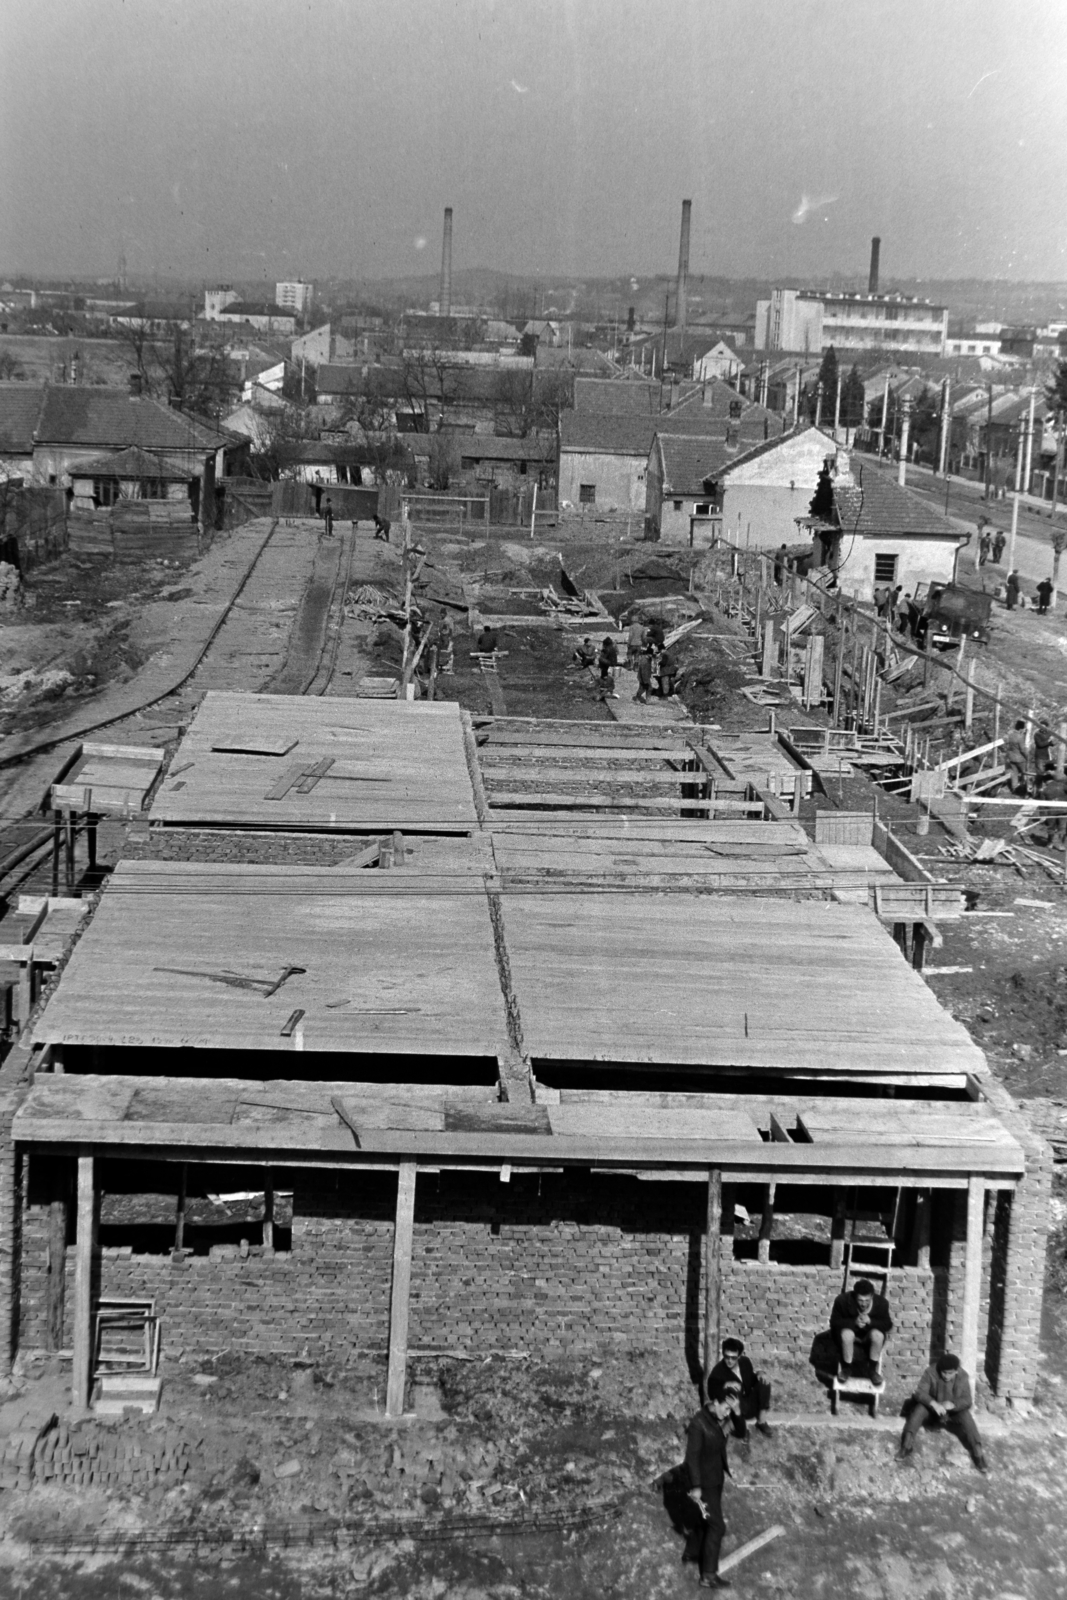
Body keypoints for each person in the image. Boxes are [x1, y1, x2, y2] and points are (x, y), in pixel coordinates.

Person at [683, 1382, 738, 1589]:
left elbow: (740, 1430)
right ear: (715, 1402)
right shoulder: (699, 1424)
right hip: (704, 1484)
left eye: (730, 1409)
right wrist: (696, 1486)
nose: (727, 1413)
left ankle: (692, 1552)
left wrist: (737, 1412)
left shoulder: (721, 1418)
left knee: (706, 1519)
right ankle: (708, 1575)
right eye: (726, 1408)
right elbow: (692, 1458)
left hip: (715, 1479)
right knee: (717, 1526)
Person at [898, 1353, 988, 1473]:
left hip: (952, 1414)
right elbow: (919, 1393)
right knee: (918, 1410)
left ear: (956, 1371)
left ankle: (978, 1454)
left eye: (950, 1373)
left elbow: (967, 1400)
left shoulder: (962, 1376)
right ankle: (906, 1446)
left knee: (966, 1416)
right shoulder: (930, 1372)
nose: (946, 1376)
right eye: (944, 1372)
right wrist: (934, 1404)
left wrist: (953, 1404)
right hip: (932, 1411)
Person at [708, 1338, 773, 1440]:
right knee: (734, 1389)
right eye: (726, 1357)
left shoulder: (745, 1362)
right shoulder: (718, 1371)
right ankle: (741, 1427)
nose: (729, 1360)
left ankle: (761, 1421)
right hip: (736, 1411)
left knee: (764, 1383)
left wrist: (760, 1374)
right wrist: (726, 1384)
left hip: (750, 1404)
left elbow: (751, 1379)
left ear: (739, 1356)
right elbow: (711, 1392)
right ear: (723, 1354)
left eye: (733, 1358)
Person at [830, 1277, 893, 1382]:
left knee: (878, 1335)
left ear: (872, 1296)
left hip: (869, 1339)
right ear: (855, 1296)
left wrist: (871, 1321)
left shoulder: (881, 1303)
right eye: (860, 1300)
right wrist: (853, 1322)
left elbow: (888, 1325)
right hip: (850, 1339)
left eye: (867, 1300)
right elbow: (834, 1322)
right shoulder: (842, 1301)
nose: (863, 1304)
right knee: (846, 1333)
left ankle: (872, 1370)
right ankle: (846, 1369)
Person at [1003, 719, 1029, 795]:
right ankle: (1026, 788)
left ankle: (1014, 788)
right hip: (1020, 759)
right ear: (1021, 729)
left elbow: (1006, 742)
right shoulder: (1020, 737)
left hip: (1011, 758)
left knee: (1014, 773)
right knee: (1025, 773)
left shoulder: (1010, 735)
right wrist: (1027, 757)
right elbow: (1022, 750)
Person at [597, 633, 619, 698]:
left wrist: (601, 654)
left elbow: (604, 657)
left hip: (610, 663)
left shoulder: (607, 649)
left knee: (600, 659)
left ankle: (604, 689)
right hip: (613, 662)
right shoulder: (612, 647)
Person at [1034, 718, 1054, 783]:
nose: (1042, 728)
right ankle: (1038, 787)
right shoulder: (1037, 734)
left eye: (1043, 726)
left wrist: (1052, 741)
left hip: (1047, 756)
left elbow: (1052, 744)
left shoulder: (1048, 734)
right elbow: (1040, 744)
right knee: (1040, 774)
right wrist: (1048, 740)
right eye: (1041, 726)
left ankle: (1046, 786)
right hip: (1039, 757)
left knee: (1048, 773)